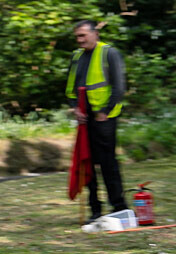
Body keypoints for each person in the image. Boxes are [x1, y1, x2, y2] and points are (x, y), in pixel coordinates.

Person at [66, 20, 127, 221]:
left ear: (95, 34)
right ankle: (95, 210)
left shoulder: (109, 53)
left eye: (83, 35)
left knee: (108, 163)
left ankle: (118, 207)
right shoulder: (76, 57)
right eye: (77, 36)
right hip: (85, 119)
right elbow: (70, 88)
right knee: (87, 164)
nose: (79, 40)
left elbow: (119, 87)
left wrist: (105, 111)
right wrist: (75, 107)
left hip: (105, 119)